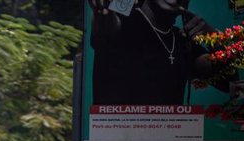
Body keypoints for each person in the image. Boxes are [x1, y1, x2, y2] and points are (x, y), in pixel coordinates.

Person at [88, 0, 227, 105]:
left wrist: (217, 40)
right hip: (117, 140)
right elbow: (106, 28)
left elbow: (227, 82)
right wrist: (103, 10)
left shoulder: (181, 41)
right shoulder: (123, 26)